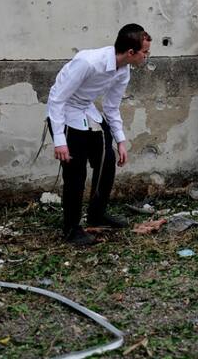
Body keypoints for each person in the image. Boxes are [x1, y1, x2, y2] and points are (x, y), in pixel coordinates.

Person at [46, 24, 152, 245]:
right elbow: (57, 98)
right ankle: (71, 229)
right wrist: (60, 140)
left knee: (107, 161)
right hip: (66, 114)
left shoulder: (123, 70)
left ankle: (97, 214)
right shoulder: (89, 62)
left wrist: (120, 140)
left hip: (88, 111)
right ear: (131, 52)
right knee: (75, 174)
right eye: (145, 52)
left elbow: (111, 106)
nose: (146, 56)